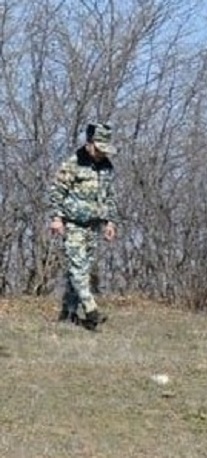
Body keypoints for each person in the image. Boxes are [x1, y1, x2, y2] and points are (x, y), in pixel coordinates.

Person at [49, 122, 119, 331]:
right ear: (89, 144)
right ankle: (91, 308)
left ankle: (69, 314)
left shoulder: (106, 166)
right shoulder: (73, 163)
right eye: (98, 149)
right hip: (73, 224)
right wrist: (56, 218)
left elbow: (109, 196)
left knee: (80, 271)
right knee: (77, 267)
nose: (100, 154)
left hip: (93, 226)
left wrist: (110, 222)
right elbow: (57, 191)